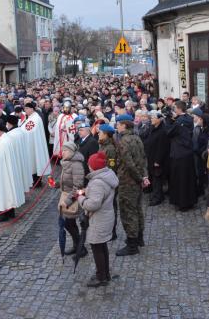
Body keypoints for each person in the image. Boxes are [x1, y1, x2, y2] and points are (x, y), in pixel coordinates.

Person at [76, 151, 119, 287]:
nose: (87, 166)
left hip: (98, 220)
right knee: (102, 246)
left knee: (97, 247)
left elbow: (93, 204)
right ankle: (105, 273)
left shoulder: (97, 183)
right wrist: (86, 192)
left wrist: (80, 198)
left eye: (89, 164)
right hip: (106, 216)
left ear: (93, 167)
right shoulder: (107, 176)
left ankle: (101, 277)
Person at [115, 114, 148, 256]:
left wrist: (140, 178)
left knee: (128, 212)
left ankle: (132, 244)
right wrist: (144, 176)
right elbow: (144, 158)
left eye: (118, 124)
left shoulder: (123, 141)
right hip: (137, 179)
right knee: (137, 209)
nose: (117, 126)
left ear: (124, 125)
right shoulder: (137, 138)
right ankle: (139, 238)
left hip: (128, 181)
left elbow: (129, 164)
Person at [0, 122, 26, 222]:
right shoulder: (5, 139)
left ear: (0, 131)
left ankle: (3, 214)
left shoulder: (3, 142)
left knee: (3, 190)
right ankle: (10, 212)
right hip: (5, 170)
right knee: (7, 190)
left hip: (2, 171)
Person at [165, 101, 197, 211]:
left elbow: (169, 132)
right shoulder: (188, 118)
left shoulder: (179, 121)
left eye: (175, 108)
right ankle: (191, 200)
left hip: (179, 153)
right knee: (189, 178)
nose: (174, 110)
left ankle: (182, 203)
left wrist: (169, 120)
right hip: (188, 152)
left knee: (180, 179)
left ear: (179, 109)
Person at [58, 141, 86, 256]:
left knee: (69, 224)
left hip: (73, 199)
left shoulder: (76, 165)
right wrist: (56, 184)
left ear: (70, 151)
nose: (62, 153)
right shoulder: (67, 162)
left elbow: (78, 186)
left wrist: (68, 201)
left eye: (64, 150)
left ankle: (81, 248)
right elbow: (67, 181)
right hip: (67, 196)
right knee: (70, 224)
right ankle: (78, 246)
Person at [21, 102, 51, 183]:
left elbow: (29, 131)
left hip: (34, 143)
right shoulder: (30, 117)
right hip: (29, 143)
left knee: (35, 160)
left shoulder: (35, 118)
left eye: (27, 109)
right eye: (25, 109)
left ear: (32, 109)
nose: (25, 110)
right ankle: (32, 179)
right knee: (32, 161)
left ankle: (37, 181)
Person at [144, 110, 169, 206]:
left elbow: (162, 147)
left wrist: (158, 160)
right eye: (151, 118)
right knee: (153, 178)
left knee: (157, 178)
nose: (151, 119)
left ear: (159, 119)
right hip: (151, 157)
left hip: (157, 160)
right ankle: (156, 195)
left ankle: (158, 197)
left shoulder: (162, 131)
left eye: (154, 118)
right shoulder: (152, 128)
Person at [192, 108, 209, 197]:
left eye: (200, 119)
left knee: (204, 174)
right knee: (199, 173)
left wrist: (199, 151)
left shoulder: (208, 132)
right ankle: (200, 190)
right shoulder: (201, 129)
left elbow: (206, 145)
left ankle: (205, 192)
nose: (198, 120)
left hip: (203, 156)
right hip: (199, 155)